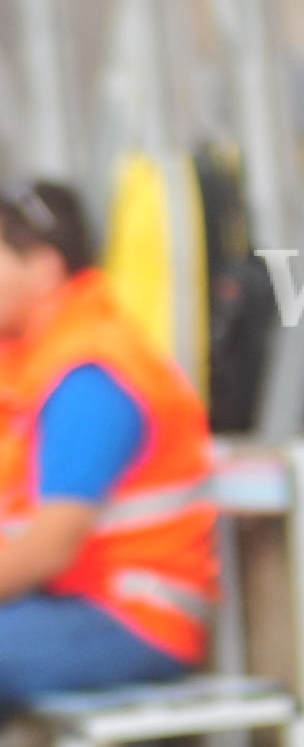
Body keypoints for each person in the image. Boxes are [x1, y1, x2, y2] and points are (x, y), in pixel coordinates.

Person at [0, 181, 218, 719]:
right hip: (68, 602)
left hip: (131, 615)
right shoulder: (35, 362)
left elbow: (52, 545)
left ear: (46, 269)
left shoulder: (90, 376)